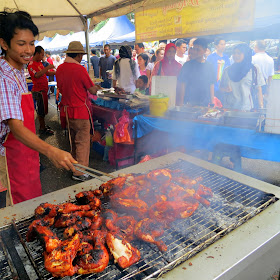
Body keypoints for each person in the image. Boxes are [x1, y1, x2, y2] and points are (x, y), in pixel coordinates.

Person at [0, 10, 76, 206]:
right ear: (4, 44)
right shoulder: (3, 76)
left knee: (33, 204)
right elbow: (15, 127)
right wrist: (52, 151)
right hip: (10, 157)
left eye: (31, 43)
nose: (28, 50)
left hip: (27, 151)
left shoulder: (18, 70)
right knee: (17, 210)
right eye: (21, 43)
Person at [56, 41, 100, 182]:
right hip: (80, 111)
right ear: (79, 55)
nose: (81, 57)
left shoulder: (60, 68)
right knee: (82, 141)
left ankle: (74, 167)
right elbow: (92, 89)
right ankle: (80, 173)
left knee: (74, 141)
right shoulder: (79, 69)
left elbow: (61, 89)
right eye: (81, 55)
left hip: (67, 111)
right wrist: (98, 87)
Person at [220, 43, 265, 110]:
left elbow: (259, 90)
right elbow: (221, 88)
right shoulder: (227, 70)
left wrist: (261, 107)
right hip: (230, 109)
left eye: (239, 53)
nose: (235, 55)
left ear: (246, 54)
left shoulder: (254, 69)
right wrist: (225, 89)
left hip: (247, 109)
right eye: (234, 53)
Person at [177, 38, 215, 106]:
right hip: (189, 103)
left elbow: (211, 84)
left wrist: (212, 102)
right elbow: (182, 85)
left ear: (205, 50)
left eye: (198, 50)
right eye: (194, 49)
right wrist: (180, 104)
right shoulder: (187, 65)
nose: (195, 51)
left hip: (205, 104)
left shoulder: (210, 66)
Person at [28, 46, 55, 135]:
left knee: (43, 109)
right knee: (41, 110)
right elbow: (37, 75)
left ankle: (43, 126)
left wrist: (57, 72)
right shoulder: (31, 64)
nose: (43, 57)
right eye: (42, 55)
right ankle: (42, 128)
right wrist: (48, 67)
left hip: (43, 89)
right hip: (39, 90)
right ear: (37, 54)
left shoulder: (39, 63)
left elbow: (45, 73)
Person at [207, 37, 230, 102]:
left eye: (224, 44)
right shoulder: (211, 57)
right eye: (221, 44)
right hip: (213, 87)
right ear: (216, 46)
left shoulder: (226, 57)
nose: (223, 46)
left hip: (224, 87)